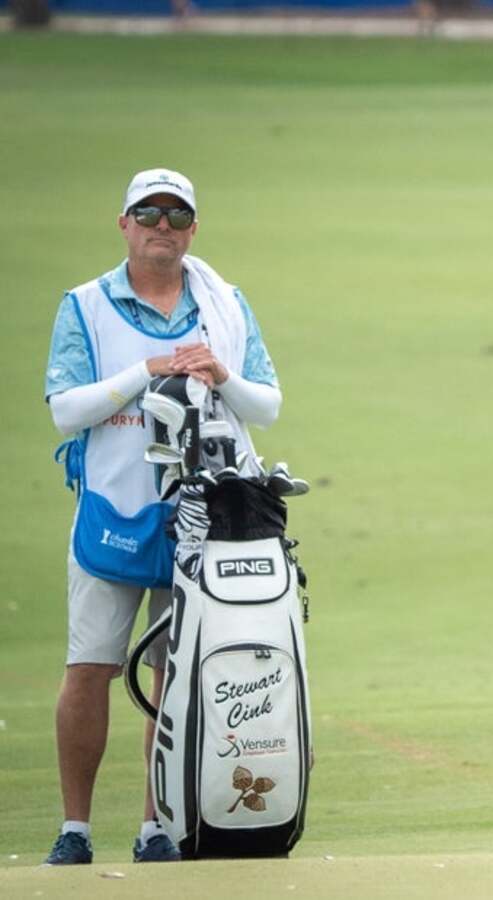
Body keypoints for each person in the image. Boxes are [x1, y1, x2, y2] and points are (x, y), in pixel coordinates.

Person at [43, 168, 284, 864]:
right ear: (124, 223)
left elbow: (266, 405)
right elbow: (66, 409)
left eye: (177, 216)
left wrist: (221, 375)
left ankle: (156, 825)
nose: (163, 226)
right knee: (90, 666)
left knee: (174, 671)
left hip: (204, 513)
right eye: (148, 212)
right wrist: (147, 369)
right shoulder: (85, 305)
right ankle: (75, 828)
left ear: (192, 230)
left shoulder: (224, 305)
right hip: (113, 504)